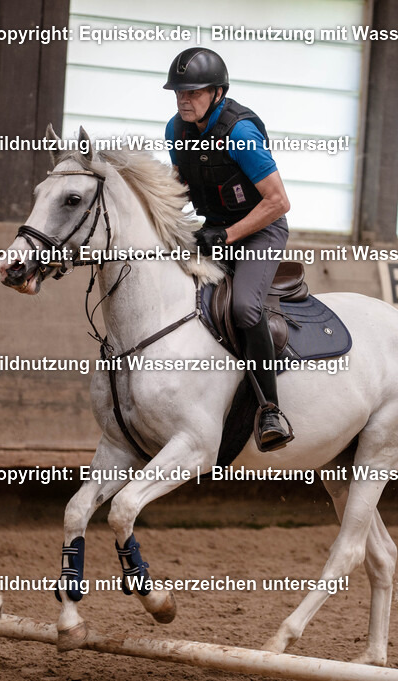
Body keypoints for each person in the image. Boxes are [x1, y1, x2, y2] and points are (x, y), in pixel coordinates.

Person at [163, 47, 294, 451]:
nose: (185, 100)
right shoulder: (175, 130)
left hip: (260, 230)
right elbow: (179, 188)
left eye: (194, 92)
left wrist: (229, 234)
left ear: (218, 92)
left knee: (243, 309)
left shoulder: (240, 133)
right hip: (214, 230)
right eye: (179, 93)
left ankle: (269, 408)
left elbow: (278, 202)